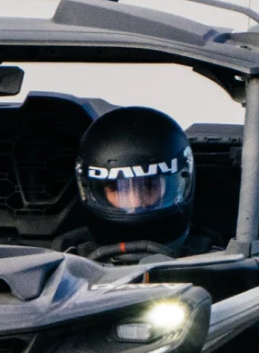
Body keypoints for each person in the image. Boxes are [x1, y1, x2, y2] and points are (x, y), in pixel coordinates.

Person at [69, 105, 205, 261]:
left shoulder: (213, 260)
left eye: (148, 186)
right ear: (91, 190)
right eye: (118, 189)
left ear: (179, 184)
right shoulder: (68, 259)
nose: (134, 203)